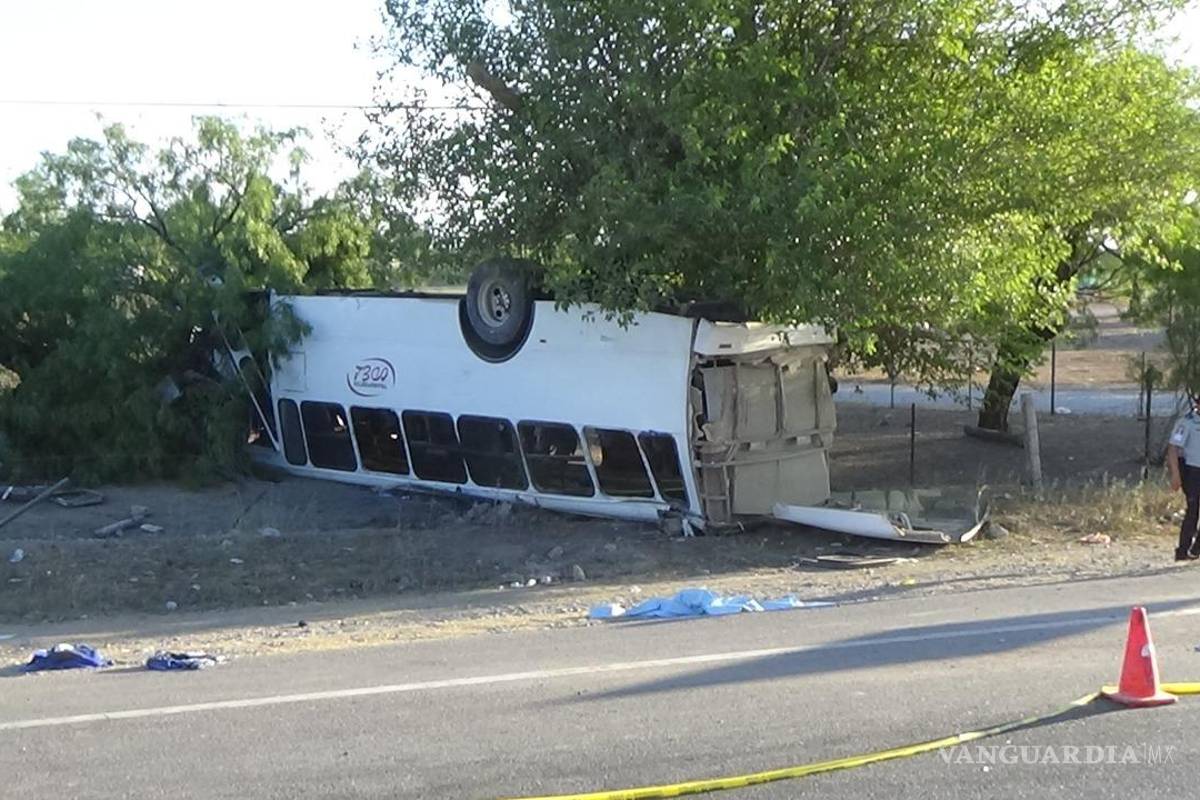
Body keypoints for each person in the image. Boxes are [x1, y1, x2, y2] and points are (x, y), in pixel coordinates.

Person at [1168, 390, 1200, 561]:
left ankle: (1196, 549)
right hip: (1192, 471)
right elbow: (1173, 448)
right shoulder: (1186, 423)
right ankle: (1182, 550)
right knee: (1193, 512)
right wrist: (1175, 475)